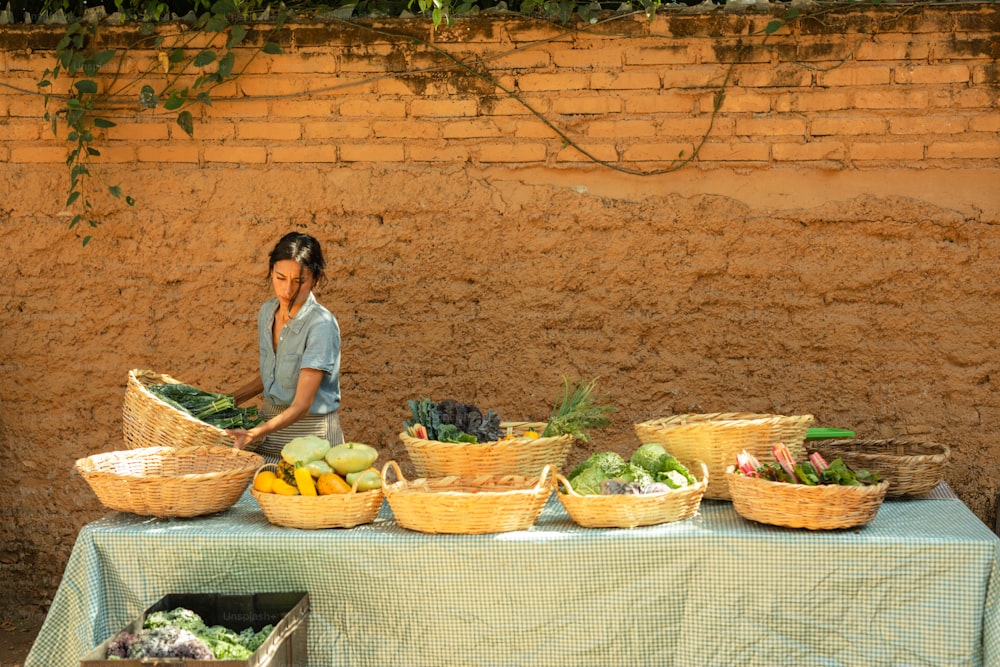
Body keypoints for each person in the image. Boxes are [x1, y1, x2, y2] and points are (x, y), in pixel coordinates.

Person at [226, 232, 344, 463]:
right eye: (280, 278)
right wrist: (230, 400)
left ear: (316, 280)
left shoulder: (321, 325)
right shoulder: (267, 313)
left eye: (299, 282)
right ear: (271, 273)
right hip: (268, 432)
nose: (287, 290)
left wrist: (253, 433)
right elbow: (276, 373)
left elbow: (301, 405)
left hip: (311, 439)